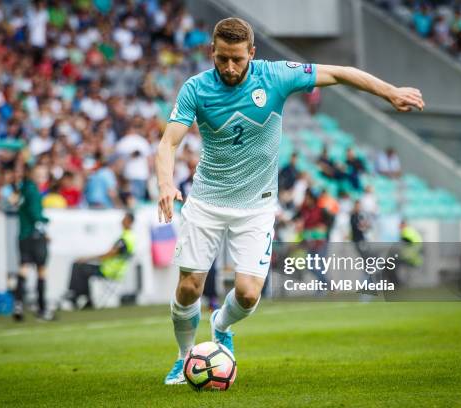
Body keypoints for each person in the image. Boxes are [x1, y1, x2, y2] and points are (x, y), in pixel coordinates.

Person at [155, 17, 424, 385]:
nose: (229, 68)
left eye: (237, 59)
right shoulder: (195, 89)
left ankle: (221, 325)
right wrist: (166, 184)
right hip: (206, 201)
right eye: (222, 59)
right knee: (189, 287)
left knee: (248, 295)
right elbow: (169, 142)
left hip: (257, 207)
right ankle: (184, 358)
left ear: (252, 52)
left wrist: (390, 92)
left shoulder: (277, 76)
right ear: (211, 53)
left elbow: (341, 72)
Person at [65, 213, 135, 309]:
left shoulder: (125, 238)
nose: (121, 221)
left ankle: (76, 295)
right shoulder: (131, 237)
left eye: (124, 219)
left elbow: (109, 254)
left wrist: (87, 258)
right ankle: (81, 296)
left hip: (109, 270)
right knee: (82, 268)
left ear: (129, 221)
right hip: (115, 270)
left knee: (79, 266)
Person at [13, 165, 53, 321]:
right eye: (40, 175)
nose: (43, 178)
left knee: (23, 268)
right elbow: (36, 214)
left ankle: (18, 305)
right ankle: (42, 309)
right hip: (35, 236)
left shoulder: (23, 188)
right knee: (41, 270)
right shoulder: (33, 191)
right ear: (33, 175)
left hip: (23, 235)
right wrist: (45, 222)